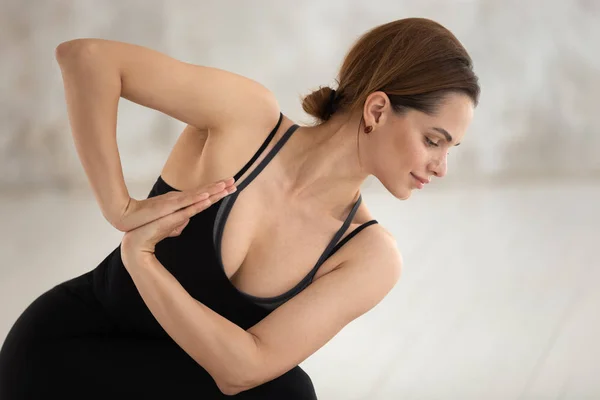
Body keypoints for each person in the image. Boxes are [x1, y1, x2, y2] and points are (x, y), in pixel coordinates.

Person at [0, 17, 479, 399]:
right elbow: (87, 58)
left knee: (287, 392)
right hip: (69, 351)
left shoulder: (368, 255)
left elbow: (240, 372)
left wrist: (140, 261)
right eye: (433, 141)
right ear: (377, 110)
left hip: (169, 381)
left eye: (449, 149)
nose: (440, 167)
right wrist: (118, 206)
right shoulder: (247, 119)